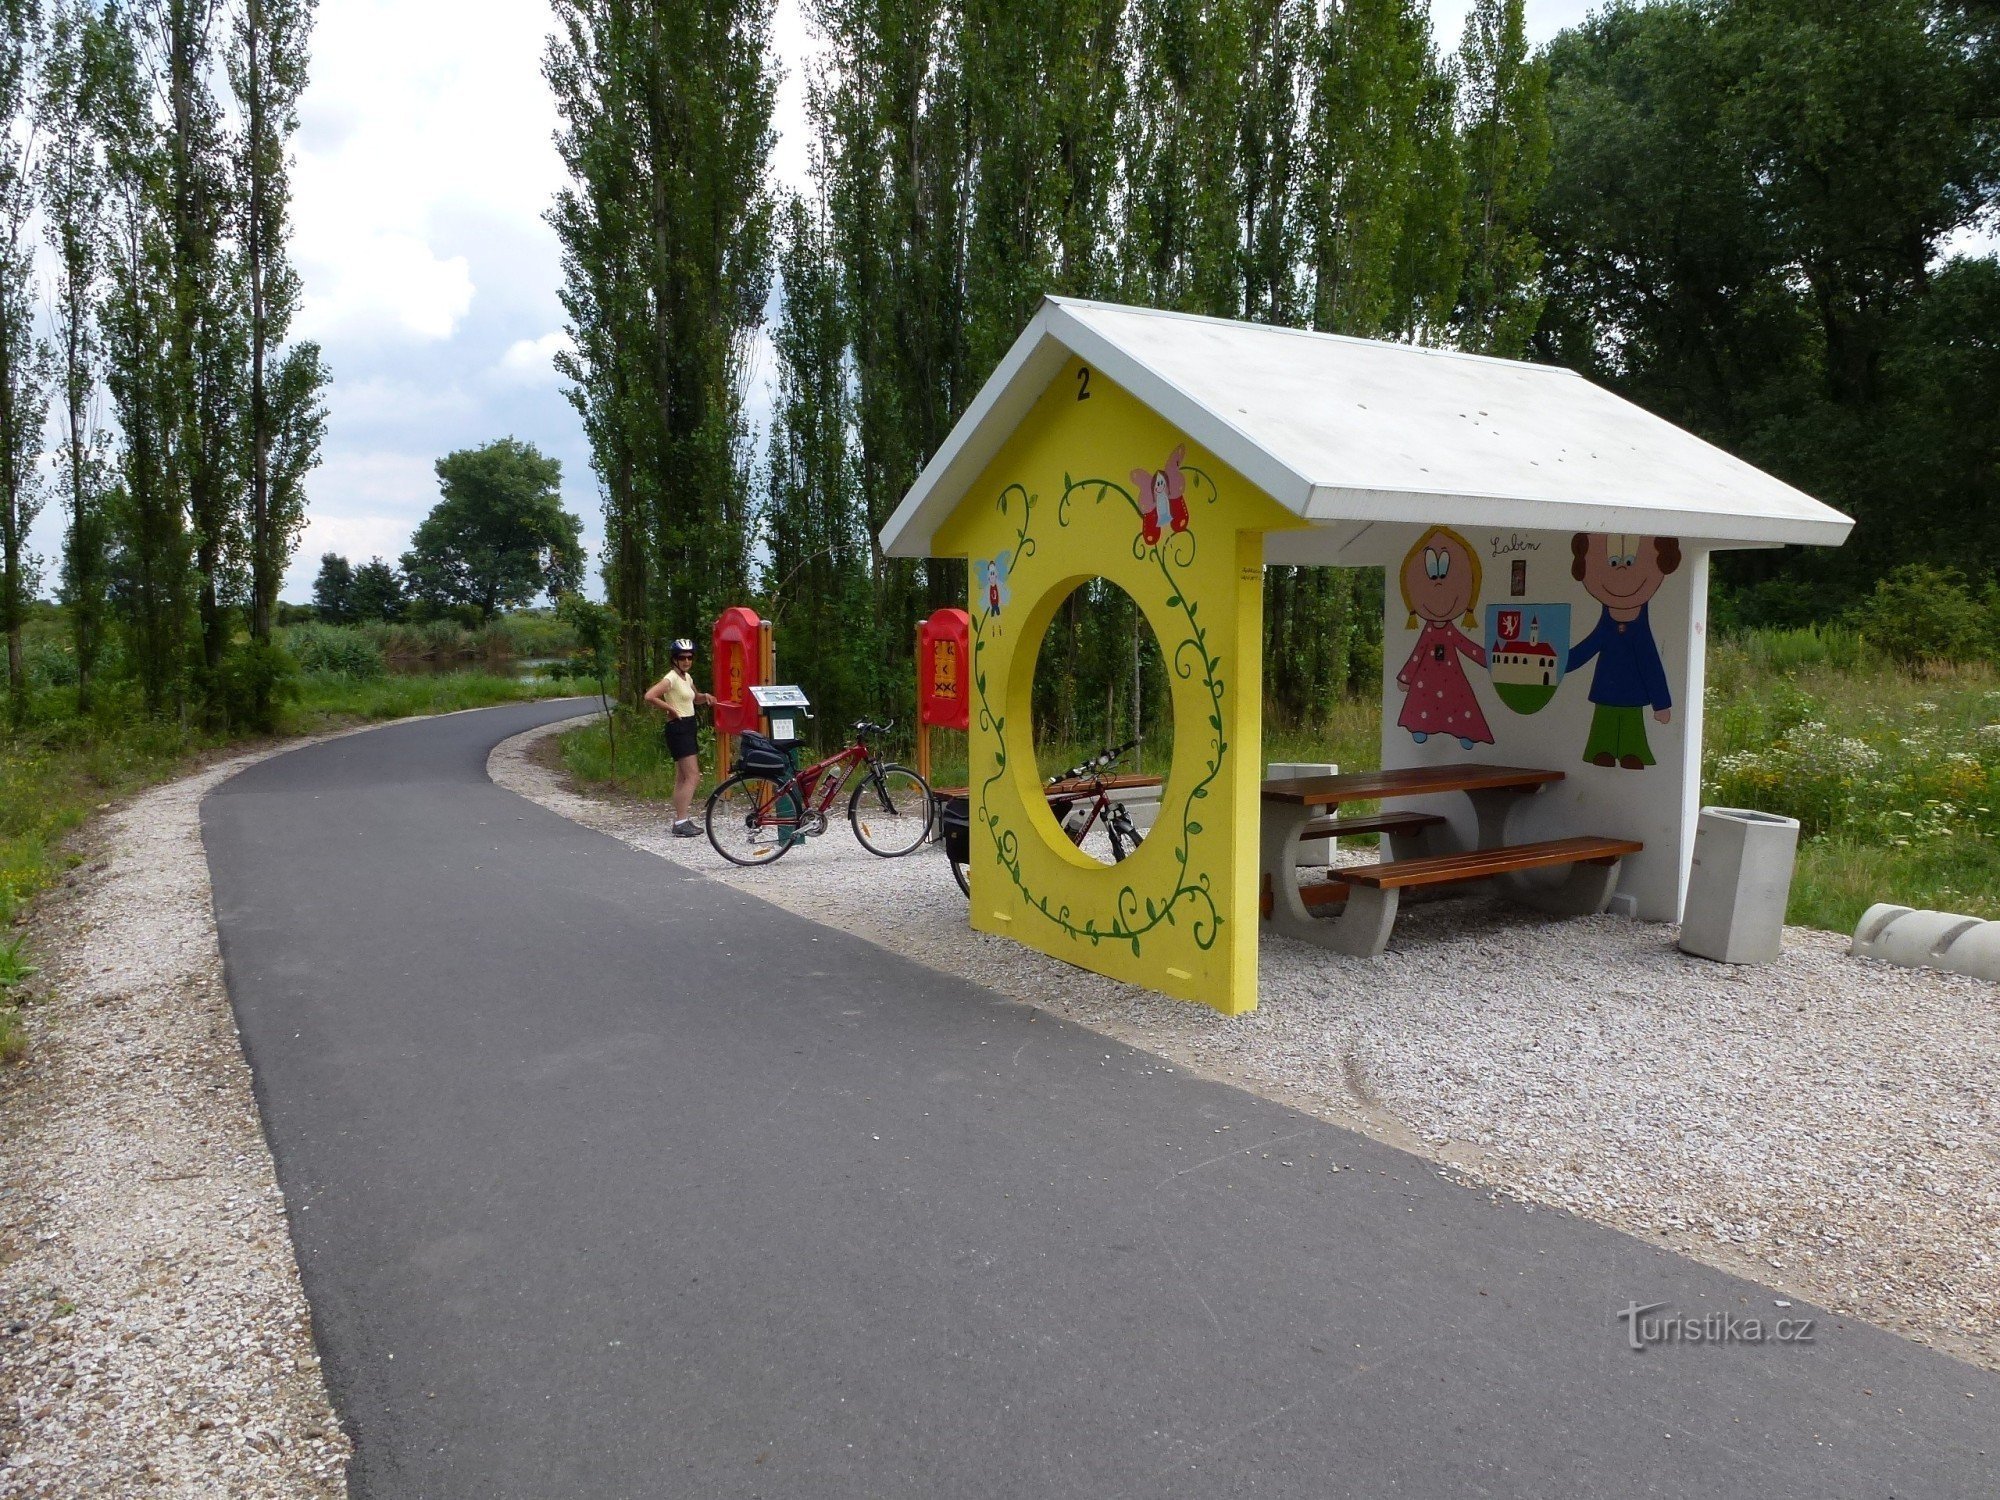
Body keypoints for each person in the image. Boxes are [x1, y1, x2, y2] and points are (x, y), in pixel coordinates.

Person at [645, 639, 717, 836]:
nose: (686, 661)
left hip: (689, 724)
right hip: (679, 727)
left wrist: (707, 697)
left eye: (689, 657)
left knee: (682, 777)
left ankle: (680, 819)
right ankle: (681, 821)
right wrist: (670, 709)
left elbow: (696, 698)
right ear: (674, 659)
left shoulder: (686, 678)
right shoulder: (671, 678)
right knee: (693, 776)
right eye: (682, 657)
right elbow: (650, 696)